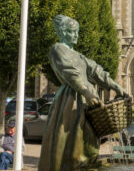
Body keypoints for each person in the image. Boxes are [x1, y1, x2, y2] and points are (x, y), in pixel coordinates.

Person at [38, 15, 127, 171]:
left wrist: (115, 86)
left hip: (87, 102)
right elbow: (70, 73)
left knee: (90, 139)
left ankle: (87, 164)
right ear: (63, 32)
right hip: (72, 102)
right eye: (73, 32)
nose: (76, 35)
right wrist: (86, 92)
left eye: (77, 31)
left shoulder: (79, 55)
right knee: (72, 139)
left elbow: (96, 70)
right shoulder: (57, 49)